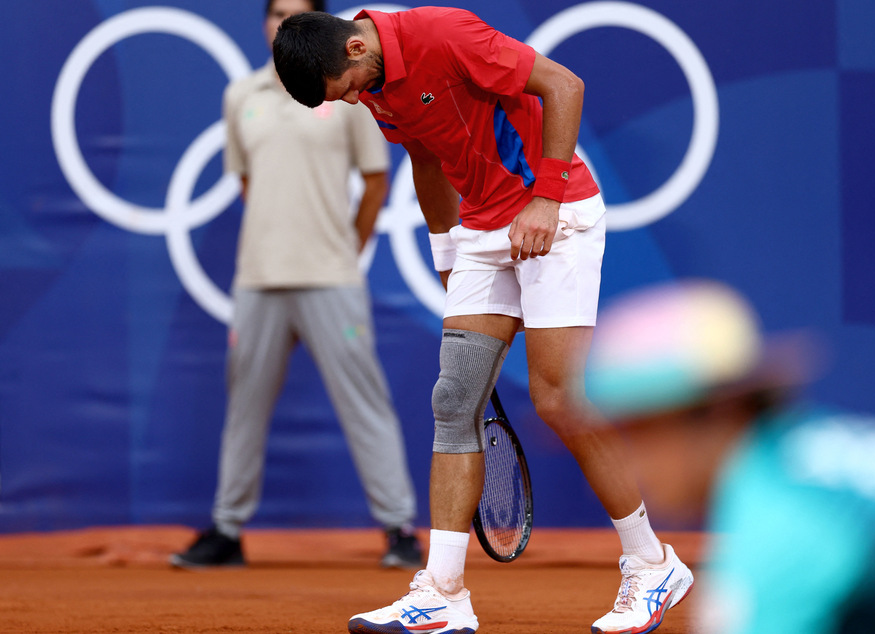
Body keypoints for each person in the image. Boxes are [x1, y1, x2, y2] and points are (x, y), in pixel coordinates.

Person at [271, 8, 693, 634]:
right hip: (481, 231)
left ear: (357, 46)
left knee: (559, 400)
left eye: (352, 87)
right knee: (455, 399)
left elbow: (564, 85)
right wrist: (447, 254)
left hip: (558, 216)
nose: (358, 101)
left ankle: (652, 561)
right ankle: (443, 593)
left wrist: (546, 198)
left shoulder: (444, 35)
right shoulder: (377, 83)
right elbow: (424, 156)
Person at [170, 0, 421, 571]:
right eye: (274, 12)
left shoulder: (349, 94)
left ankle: (399, 529)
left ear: (319, 24)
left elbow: (377, 181)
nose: (281, 22)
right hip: (257, 280)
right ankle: (227, 531)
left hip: (332, 278)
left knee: (366, 404)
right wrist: (273, 238)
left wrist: (345, 252)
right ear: (262, 22)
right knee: (244, 407)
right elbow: (247, 182)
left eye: (295, 13)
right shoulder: (241, 96)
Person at [583, 279, 875, 634]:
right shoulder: (792, 454)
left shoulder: (775, 534)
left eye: (644, 432)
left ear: (719, 414)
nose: (631, 462)